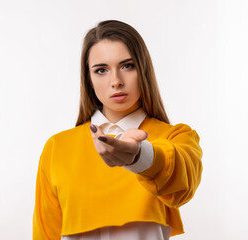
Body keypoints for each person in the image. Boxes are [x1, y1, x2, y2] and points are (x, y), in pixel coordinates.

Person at [32, 20, 203, 240]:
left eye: (127, 66)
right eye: (101, 70)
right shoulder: (57, 148)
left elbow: (183, 180)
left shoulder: (176, 137)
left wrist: (141, 157)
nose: (116, 81)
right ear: (89, 79)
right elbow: (45, 234)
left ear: (144, 70)